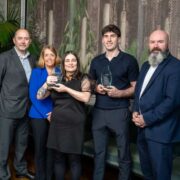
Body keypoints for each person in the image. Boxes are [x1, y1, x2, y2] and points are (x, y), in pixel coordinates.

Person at [89, 24, 139, 180]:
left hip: (120, 112)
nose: (109, 39)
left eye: (112, 36)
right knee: (98, 153)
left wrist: (120, 93)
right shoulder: (96, 61)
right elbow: (89, 83)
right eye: (106, 36)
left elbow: (135, 88)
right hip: (98, 112)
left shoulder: (129, 60)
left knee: (123, 153)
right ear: (102, 39)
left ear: (118, 38)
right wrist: (96, 87)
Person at [132, 30, 180, 180]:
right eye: (152, 42)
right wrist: (135, 110)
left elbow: (171, 101)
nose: (156, 46)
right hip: (142, 130)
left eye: (160, 42)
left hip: (161, 133)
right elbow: (139, 91)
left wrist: (146, 118)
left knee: (161, 176)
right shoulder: (146, 65)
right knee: (147, 173)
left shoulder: (175, 67)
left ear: (168, 44)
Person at [37, 51, 91, 180]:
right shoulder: (57, 78)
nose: (70, 63)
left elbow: (86, 98)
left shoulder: (83, 78)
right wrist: (46, 83)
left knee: (74, 159)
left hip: (75, 124)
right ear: (63, 64)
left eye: (73, 60)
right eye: (67, 60)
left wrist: (66, 89)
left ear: (77, 63)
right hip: (57, 123)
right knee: (58, 158)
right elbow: (39, 96)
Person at [0, 28, 36, 180]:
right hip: (7, 109)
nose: (23, 41)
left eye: (26, 38)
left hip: (26, 109)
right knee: (4, 144)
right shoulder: (4, 57)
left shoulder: (33, 58)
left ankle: (21, 169)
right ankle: (2, 173)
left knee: (22, 143)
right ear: (14, 40)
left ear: (30, 41)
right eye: (20, 38)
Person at [29, 45, 61, 180]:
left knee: (52, 149)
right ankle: (40, 177)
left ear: (55, 57)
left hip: (55, 115)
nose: (49, 57)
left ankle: (49, 176)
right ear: (43, 57)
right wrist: (46, 114)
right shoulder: (37, 72)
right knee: (40, 148)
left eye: (51, 55)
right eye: (46, 55)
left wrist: (54, 113)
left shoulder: (59, 72)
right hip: (38, 115)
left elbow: (60, 96)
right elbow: (33, 96)